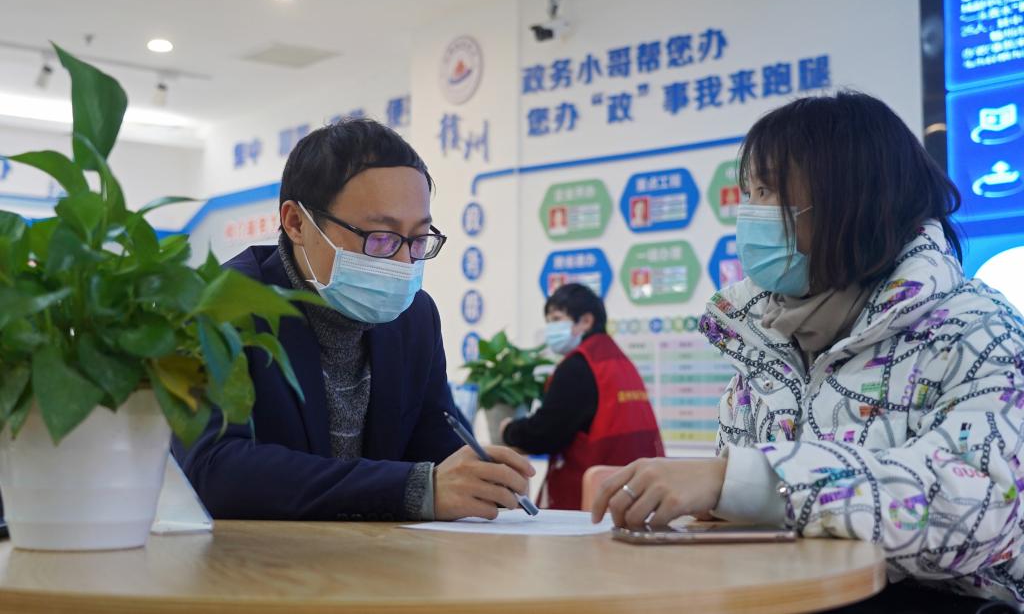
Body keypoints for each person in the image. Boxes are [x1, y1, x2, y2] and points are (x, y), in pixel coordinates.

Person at [591, 92, 1024, 612]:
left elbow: (980, 507)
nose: (750, 212)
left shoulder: (977, 330)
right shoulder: (761, 340)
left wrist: (743, 482)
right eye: (748, 192)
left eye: (768, 190)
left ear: (851, 198)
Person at [173, 118, 534, 522]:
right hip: (254, 557)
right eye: (380, 238)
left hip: (376, 554)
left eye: (418, 240)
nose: (404, 262)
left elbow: (434, 442)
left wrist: (481, 476)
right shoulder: (218, 306)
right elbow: (214, 469)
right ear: (296, 223)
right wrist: (411, 489)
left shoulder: (414, 317)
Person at [502, 283, 663, 510]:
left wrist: (508, 431)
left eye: (556, 319)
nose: (550, 329)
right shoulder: (618, 361)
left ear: (586, 321)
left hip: (592, 499)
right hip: (636, 493)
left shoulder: (578, 366)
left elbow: (546, 432)